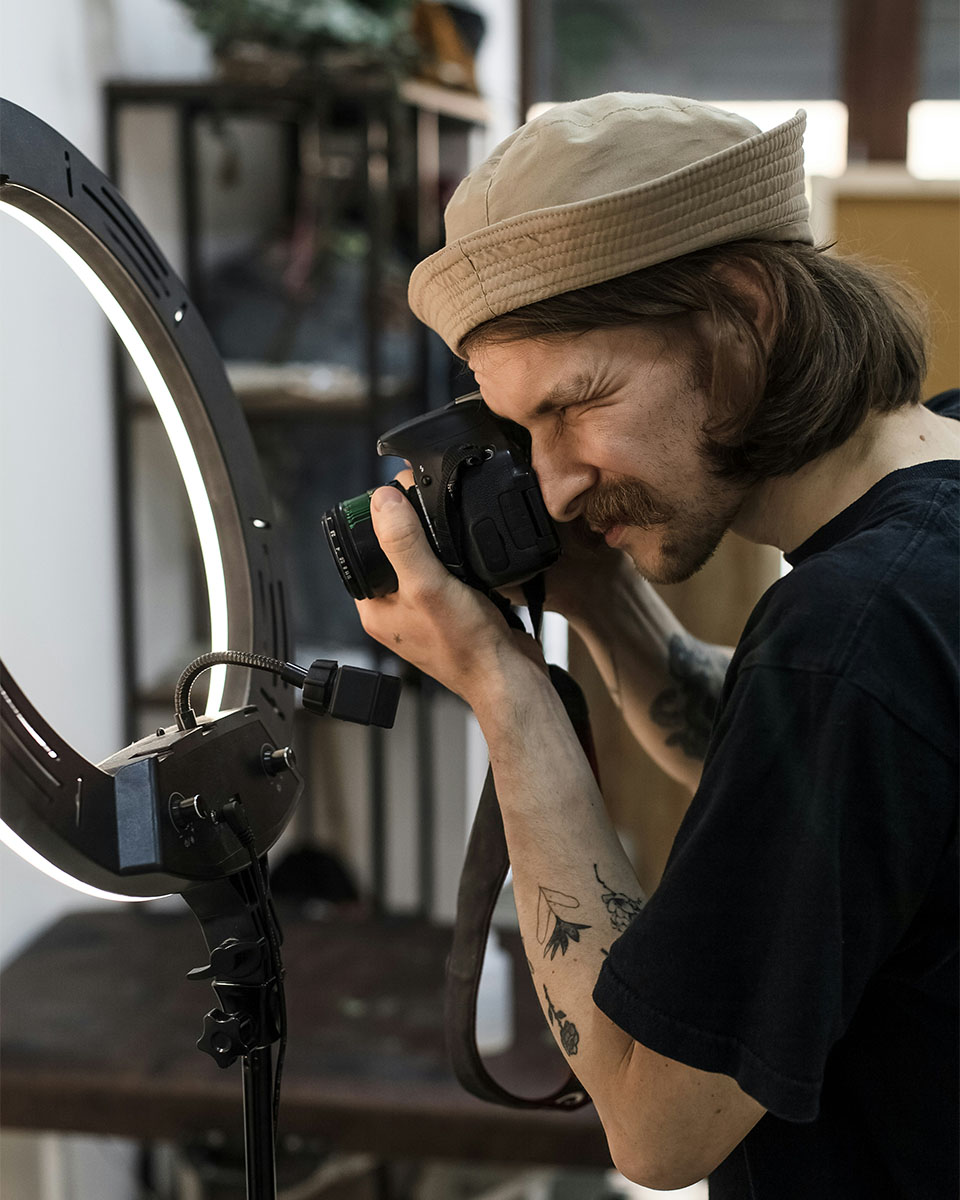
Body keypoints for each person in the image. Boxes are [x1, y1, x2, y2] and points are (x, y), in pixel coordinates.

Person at [354, 93, 959, 1197]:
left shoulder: (846, 632)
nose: (551, 481)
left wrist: (504, 687)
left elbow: (650, 1126)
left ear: (745, 312)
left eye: (576, 405)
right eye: (518, 432)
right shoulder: (928, 526)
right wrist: (602, 603)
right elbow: (822, 793)